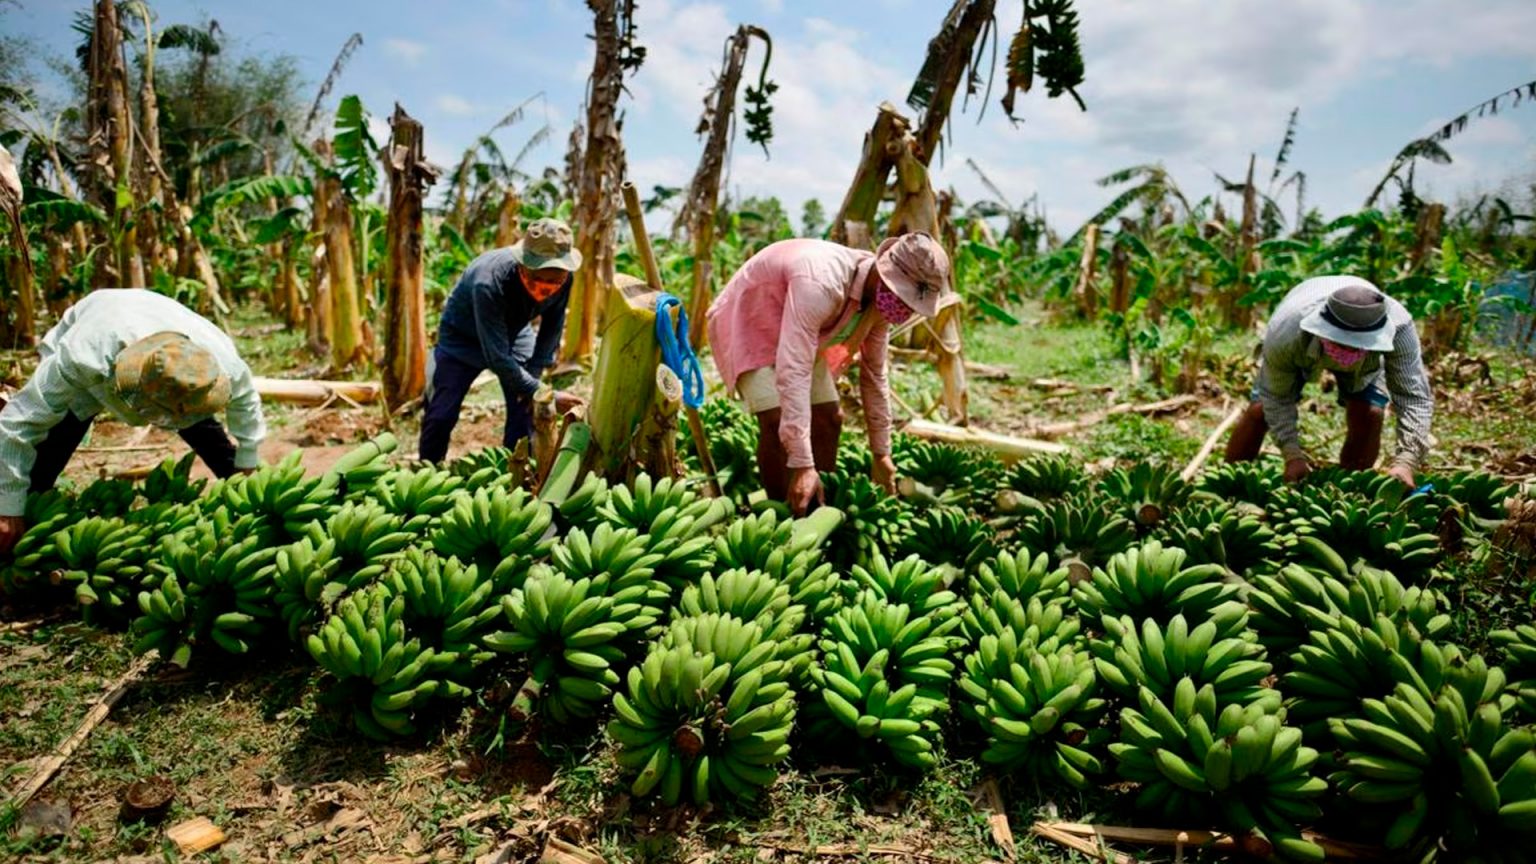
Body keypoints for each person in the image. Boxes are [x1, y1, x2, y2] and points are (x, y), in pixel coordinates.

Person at [707, 231, 957, 515]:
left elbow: (875, 375)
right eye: (900, 295)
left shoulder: (878, 305)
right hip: (752, 320)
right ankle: (778, 517)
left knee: (829, 418)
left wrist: (881, 453)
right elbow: (795, 369)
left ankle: (814, 505)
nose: (902, 307)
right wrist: (802, 463)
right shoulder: (821, 283)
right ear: (882, 271)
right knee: (776, 420)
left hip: (800, 331)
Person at [0, 289, 266, 554]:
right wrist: (8, 506)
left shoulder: (218, 366)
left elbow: (247, 406)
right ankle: (23, 521)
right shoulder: (83, 357)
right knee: (57, 438)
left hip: (171, 350)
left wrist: (247, 466)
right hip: (102, 327)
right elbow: (19, 421)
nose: (171, 421)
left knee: (206, 433)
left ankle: (244, 498)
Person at [1223, 276, 1433, 488]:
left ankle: (1350, 489)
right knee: (1260, 409)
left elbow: (1413, 398)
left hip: (1368, 358)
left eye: (1356, 345)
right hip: (1302, 336)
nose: (1348, 349)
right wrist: (1292, 455)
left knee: (1369, 412)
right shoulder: (1286, 332)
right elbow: (1276, 396)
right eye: (1341, 342)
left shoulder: (1399, 328)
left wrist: (1407, 461)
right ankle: (1229, 484)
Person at [419, 218, 585, 462]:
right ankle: (427, 471)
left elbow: (553, 326)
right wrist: (544, 391)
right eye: (540, 278)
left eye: (555, 280)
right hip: (462, 337)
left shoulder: (565, 279)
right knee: (441, 414)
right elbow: (496, 356)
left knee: (524, 409)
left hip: (516, 333)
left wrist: (534, 383)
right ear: (524, 264)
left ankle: (514, 471)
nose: (547, 287)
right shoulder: (489, 281)